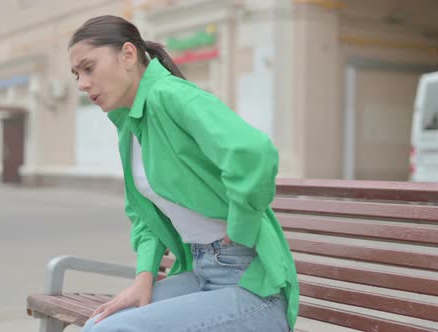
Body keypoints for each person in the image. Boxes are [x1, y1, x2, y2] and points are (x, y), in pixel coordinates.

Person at [68, 15, 299, 332]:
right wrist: (143, 278)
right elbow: (143, 215)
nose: (82, 84)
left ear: (128, 55)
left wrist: (242, 221)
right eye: (76, 74)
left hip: (253, 289)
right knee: (97, 323)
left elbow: (253, 151)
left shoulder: (169, 96)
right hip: (203, 273)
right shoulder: (130, 126)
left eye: (89, 68)